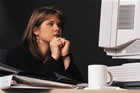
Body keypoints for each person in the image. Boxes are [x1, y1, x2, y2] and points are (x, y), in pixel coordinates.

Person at [6, 6, 83, 84]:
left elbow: (80, 84)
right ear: (36, 30)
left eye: (59, 25)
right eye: (50, 24)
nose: (57, 29)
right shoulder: (17, 54)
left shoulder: (60, 56)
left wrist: (66, 57)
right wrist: (54, 57)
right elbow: (38, 83)